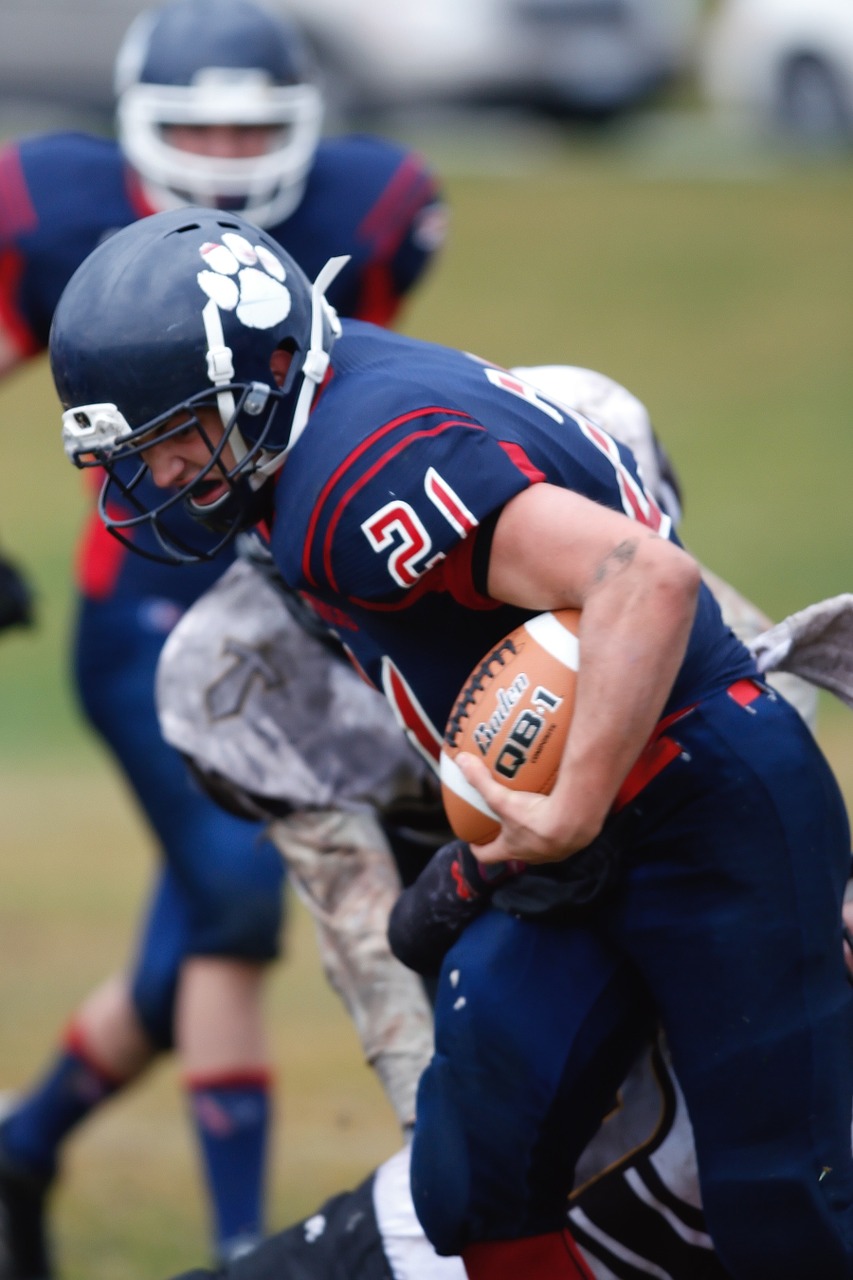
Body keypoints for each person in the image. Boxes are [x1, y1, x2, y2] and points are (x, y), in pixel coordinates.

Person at [50, 208, 853, 1278]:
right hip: (592, 825)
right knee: (470, 1171)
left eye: (172, 435)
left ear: (263, 368)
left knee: (776, 1204)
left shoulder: (355, 471)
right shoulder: (320, 412)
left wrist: (564, 810)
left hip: (697, 801)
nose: (151, 476)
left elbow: (645, 577)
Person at [0, 1, 445, 1271]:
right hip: (142, 610)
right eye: (197, 119)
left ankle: (23, 1145)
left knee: (192, 930)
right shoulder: (52, 205)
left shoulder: (367, 212)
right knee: (240, 902)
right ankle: (244, 1244)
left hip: (300, 609)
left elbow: (358, 379)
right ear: (137, 118)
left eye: (251, 121)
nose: (224, 146)